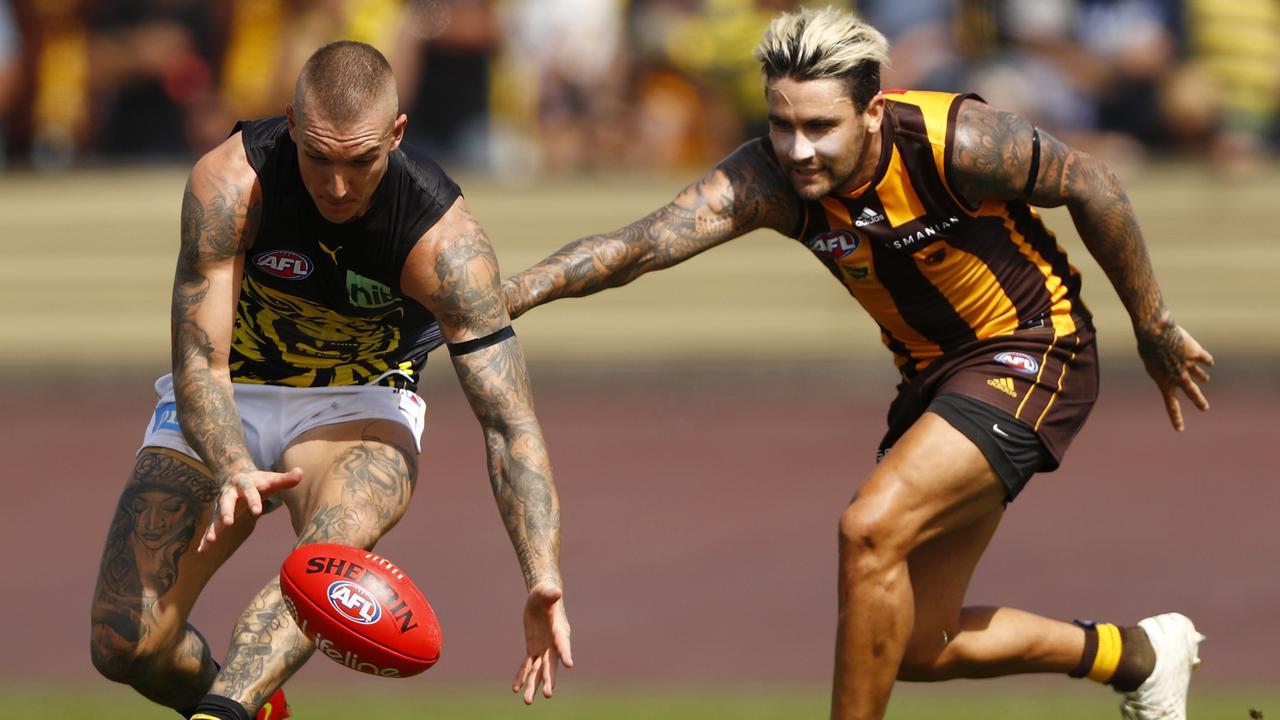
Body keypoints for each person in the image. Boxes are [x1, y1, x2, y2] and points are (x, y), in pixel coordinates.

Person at [501, 8, 1211, 720]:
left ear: (873, 111)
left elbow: (1095, 184)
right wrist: (508, 296)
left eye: (820, 127)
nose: (799, 150)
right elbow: (636, 247)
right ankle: (1141, 655)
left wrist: (1153, 326)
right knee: (916, 644)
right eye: (783, 126)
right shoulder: (769, 180)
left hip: (1033, 346)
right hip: (934, 377)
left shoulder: (956, 140)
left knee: (867, 528)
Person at [89, 40, 572, 720]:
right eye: (319, 157)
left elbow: (509, 424)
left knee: (325, 554)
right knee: (125, 643)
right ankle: (260, 711)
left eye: (361, 161)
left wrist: (542, 575)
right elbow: (201, 363)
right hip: (230, 391)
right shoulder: (229, 183)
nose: (337, 186)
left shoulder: (446, 242)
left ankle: (224, 710)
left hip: (360, 400)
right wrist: (232, 463)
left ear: (397, 135)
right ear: (290, 121)